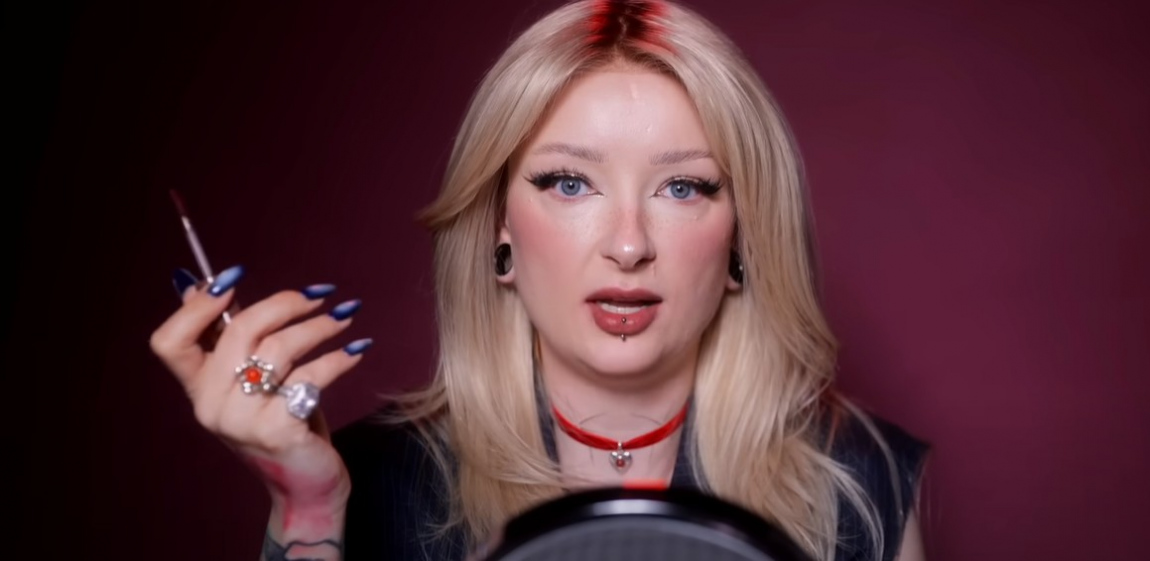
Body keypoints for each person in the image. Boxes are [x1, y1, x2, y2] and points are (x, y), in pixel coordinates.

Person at [149, 1, 930, 559]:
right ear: (500, 225)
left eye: (683, 187)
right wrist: (308, 507)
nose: (629, 244)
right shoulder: (373, 482)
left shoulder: (860, 480)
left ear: (742, 234)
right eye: (569, 182)